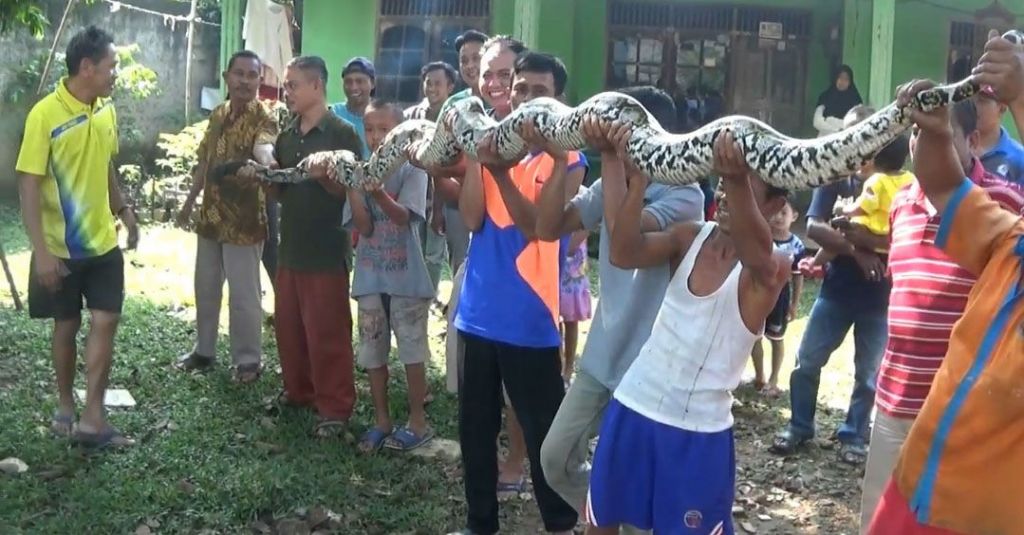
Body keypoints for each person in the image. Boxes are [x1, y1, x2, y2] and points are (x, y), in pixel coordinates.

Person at [584, 131, 791, 535]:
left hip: (697, 431)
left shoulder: (772, 269)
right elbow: (622, 252)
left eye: (746, 187)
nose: (729, 195)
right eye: (725, 183)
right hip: (634, 404)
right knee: (602, 523)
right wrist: (640, 178)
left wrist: (734, 173)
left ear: (776, 206)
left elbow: (758, 256)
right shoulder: (688, 237)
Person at [867, 33, 1024, 534]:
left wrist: (1019, 95)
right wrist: (933, 132)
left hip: (981, 517)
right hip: (915, 489)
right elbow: (944, 186)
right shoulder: (1009, 240)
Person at [537, 86, 705, 520]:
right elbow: (549, 225)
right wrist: (561, 159)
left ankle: (627, 517)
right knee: (554, 457)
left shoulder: (685, 194)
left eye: (623, 130)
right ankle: (607, 514)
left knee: (633, 477)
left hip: (650, 370)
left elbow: (622, 242)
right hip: (602, 357)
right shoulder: (607, 180)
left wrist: (613, 160)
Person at [452, 49, 585, 535]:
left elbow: (538, 229)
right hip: (476, 313)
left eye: (540, 92)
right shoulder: (493, 142)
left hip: (529, 319)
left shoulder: (567, 157)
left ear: (559, 100)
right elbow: (471, 218)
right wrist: (476, 159)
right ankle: (479, 523)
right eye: (521, 89)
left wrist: (501, 172)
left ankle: (559, 524)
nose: (527, 100)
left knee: (543, 432)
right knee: (474, 433)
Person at [17, 26, 139, 449]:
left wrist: (122, 209)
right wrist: (42, 252)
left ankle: (93, 418)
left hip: (103, 245)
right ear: (86, 67)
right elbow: (28, 183)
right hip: (60, 249)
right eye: (112, 66)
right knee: (65, 326)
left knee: (107, 320)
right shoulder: (45, 115)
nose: (115, 73)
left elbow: (104, 164)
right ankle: (66, 402)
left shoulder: (105, 109)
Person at [772, 105, 891, 466]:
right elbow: (815, 228)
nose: (855, 141)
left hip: (880, 297)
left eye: (863, 132)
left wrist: (864, 244)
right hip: (836, 291)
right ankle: (800, 425)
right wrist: (859, 252)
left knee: (869, 375)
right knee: (806, 360)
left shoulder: (895, 182)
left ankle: (854, 435)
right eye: (850, 132)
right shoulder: (835, 176)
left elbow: (902, 231)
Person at [270, 56, 363, 438]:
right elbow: (280, 194)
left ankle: (335, 409)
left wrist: (323, 177)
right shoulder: (287, 134)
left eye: (292, 84)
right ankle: (298, 393)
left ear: (316, 86)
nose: (286, 91)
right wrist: (262, 177)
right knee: (289, 329)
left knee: (328, 334)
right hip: (289, 248)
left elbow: (349, 193)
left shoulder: (342, 135)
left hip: (326, 251)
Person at [175, 50, 278, 384]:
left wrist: (267, 163)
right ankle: (204, 351)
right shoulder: (217, 114)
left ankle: (248, 360)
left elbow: (265, 147)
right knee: (205, 286)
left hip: (246, 222)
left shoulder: (265, 117)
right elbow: (205, 161)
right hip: (211, 216)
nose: (245, 81)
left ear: (260, 81)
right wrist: (189, 202)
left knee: (244, 294)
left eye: (253, 75)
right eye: (240, 73)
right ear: (226, 77)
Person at [343, 100, 434, 452]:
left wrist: (376, 188)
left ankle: (417, 421)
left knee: (412, 351)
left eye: (384, 129)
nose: (376, 136)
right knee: (372, 351)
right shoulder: (360, 168)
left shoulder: (413, 169)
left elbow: (401, 217)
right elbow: (363, 227)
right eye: (369, 129)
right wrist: (355, 187)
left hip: (407, 280)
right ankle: (381, 419)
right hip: (369, 278)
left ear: (399, 131)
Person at [815, 134, 914, 265]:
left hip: (874, 227)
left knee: (845, 230)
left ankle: (814, 263)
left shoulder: (876, 181)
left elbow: (861, 208)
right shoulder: (910, 178)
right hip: (893, 230)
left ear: (874, 157)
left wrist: (843, 209)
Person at [405, 61, 458, 300]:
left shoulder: (455, 120)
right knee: (413, 249)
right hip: (415, 195)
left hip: (444, 196)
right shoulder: (410, 116)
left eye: (438, 83)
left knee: (434, 252)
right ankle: (413, 294)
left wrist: (438, 208)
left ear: (450, 87)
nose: (432, 88)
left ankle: (428, 297)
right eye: (429, 82)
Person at [750, 199, 805, 396]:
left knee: (776, 338)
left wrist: (794, 304)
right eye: (774, 212)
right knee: (753, 337)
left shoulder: (797, 246)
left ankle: (774, 379)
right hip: (756, 293)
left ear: (794, 216)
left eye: (784, 213)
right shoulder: (760, 239)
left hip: (780, 297)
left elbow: (798, 278)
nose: (778, 217)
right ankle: (759, 376)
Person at [559, 224, 591, 387]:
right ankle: (557, 363)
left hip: (573, 258)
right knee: (552, 314)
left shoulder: (581, 197)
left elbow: (589, 220)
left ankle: (568, 368)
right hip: (552, 249)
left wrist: (570, 245)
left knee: (571, 318)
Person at [974, 84, 1024, 184]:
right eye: (967, 99)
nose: (973, 106)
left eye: (981, 100)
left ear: (1002, 107)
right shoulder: (954, 148)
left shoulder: (1019, 159)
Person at [329, 56, 374, 159]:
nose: (354, 87)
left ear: (373, 83)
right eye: (348, 82)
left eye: (360, 81)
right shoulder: (333, 114)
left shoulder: (382, 116)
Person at [813, 65, 862, 137]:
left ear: (850, 82)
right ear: (835, 78)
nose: (842, 82)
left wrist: (830, 122)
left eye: (846, 79)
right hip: (825, 139)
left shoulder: (855, 101)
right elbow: (817, 122)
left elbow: (856, 124)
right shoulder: (825, 97)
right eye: (840, 77)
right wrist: (837, 130)